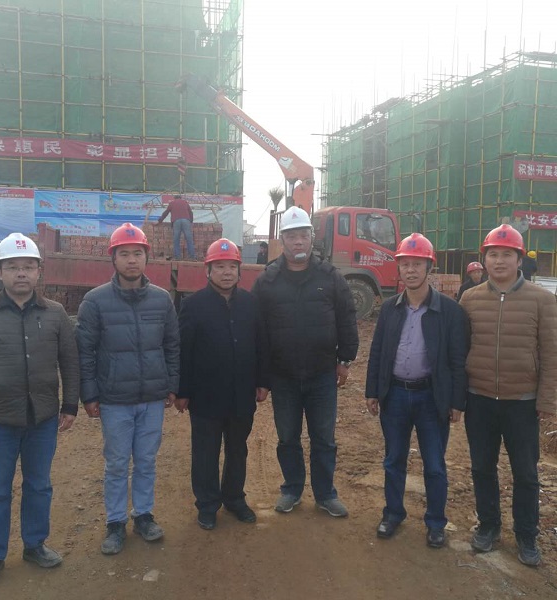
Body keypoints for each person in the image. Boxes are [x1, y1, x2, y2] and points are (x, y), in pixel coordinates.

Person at [0, 233, 79, 587]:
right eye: (12, 267)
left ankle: (35, 544)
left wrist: (70, 404)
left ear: (39, 271)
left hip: (42, 419)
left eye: (28, 266)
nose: (21, 273)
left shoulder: (55, 314)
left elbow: (70, 362)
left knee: (39, 485)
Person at [76, 223, 179, 556]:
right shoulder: (95, 302)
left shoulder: (162, 300)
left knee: (146, 460)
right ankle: (115, 522)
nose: (132, 260)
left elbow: (172, 346)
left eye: (138, 253)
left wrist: (171, 385)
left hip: (152, 399)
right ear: (114, 259)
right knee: (118, 463)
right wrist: (90, 394)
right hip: (114, 400)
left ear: (147, 257)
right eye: (124, 254)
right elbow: (85, 352)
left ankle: (144, 516)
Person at [460, 224, 557, 567]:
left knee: (526, 474)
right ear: (484, 259)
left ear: (519, 259)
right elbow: (459, 351)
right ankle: (488, 526)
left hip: (522, 403)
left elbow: (551, 353)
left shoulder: (542, 300)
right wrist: (458, 398)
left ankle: (526, 535)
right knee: (482, 468)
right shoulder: (469, 299)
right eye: (493, 254)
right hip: (480, 399)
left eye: (506, 254)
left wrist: (547, 400)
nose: (499, 261)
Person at [252, 206, 358, 518]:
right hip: (283, 376)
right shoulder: (267, 281)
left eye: (303, 235)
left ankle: (325, 494)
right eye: (292, 236)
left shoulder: (330, 277)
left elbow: (347, 318)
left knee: (324, 438)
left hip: (322, 374)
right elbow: (257, 330)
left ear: (312, 237)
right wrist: (261, 376)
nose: (298, 241)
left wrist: (345, 359)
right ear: (282, 240)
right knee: (287, 437)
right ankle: (292, 489)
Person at [365, 233, 467, 548]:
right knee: (393, 459)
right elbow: (378, 351)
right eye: (405, 264)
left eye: (417, 264)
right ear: (399, 267)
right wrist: (372, 391)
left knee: (434, 464)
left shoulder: (449, 311)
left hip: (431, 398)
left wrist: (456, 401)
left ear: (429, 267)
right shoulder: (390, 309)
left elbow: (457, 360)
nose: (410, 270)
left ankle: (436, 523)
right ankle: (393, 514)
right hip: (395, 395)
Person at [175, 239, 269, 530]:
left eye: (232, 267)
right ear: (208, 271)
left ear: (239, 271)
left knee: (238, 449)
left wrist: (263, 381)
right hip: (206, 396)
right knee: (205, 452)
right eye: (219, 267)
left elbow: (262, 345)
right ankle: (207, 505)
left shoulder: (251, 304)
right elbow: (184, 352)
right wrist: (182, 391)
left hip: (242, 394)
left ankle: (234, 499)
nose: (227, 273)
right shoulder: (193, 306)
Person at [157, 194, 196, 260]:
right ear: (180, 198)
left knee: (176, 240)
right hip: (186, 221)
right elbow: (190, 212)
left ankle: (178, 257)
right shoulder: (185, 202)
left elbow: (166, 212)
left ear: (174, 198)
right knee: (189, 240)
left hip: (176, 221)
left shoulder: (172, 203)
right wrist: (190, 222)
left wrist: (160, 221)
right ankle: (192, 257)